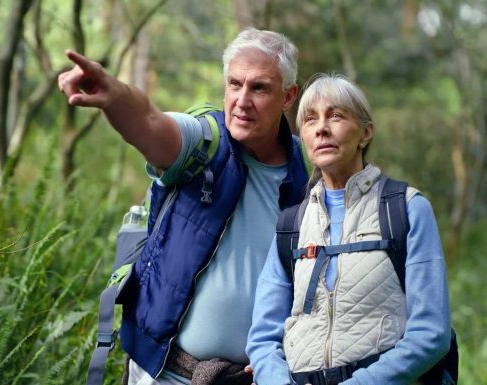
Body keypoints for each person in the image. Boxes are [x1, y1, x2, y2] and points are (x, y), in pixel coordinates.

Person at [58, 28, 309, 385]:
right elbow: (149, 122)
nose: (241, 100)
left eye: (259, 88)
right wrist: (114, 96)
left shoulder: (307, 170)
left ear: (288, 96)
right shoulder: (205, 143)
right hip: (166, 373)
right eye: (234, 84)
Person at [246, 73, 452, 385]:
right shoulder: (293, 224)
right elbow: (263, 338)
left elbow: (431, 334)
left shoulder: (406, 208)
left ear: (366, 132)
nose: (322, 128)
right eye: (311, 119)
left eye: (336, 116)